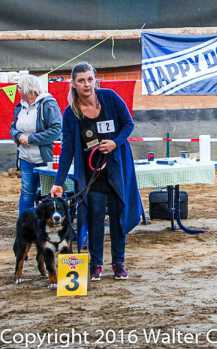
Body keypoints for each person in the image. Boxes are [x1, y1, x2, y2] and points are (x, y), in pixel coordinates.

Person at [50, 62, 142, 280]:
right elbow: (67, 150)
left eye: (90, 79)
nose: (86, 84)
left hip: (117, 169)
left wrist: (115, 142)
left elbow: (128, 124)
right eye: (81, 80)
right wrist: (58, 181)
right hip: (92, 177)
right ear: (73, 84)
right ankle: (96, 264)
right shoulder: (71, 114)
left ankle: (119, 263)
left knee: (119, 216)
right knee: (95, 218)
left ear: (95, 79)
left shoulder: (109, 97)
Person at [10, 74, 62, 215]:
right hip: (26, 158)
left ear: (28, 89)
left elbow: (56, 130)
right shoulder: (20, 106)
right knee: (27, 193)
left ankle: (45, 227)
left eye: (19, 87)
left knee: (46, 195)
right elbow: (13, 127)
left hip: (46, 160)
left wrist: (31, 138)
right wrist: (18, 135)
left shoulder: (48, 104)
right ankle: (25, 226)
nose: (18, 90)